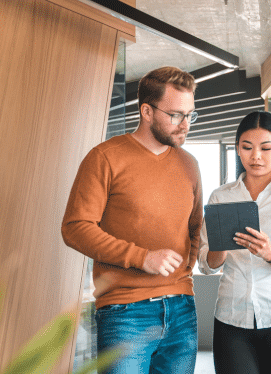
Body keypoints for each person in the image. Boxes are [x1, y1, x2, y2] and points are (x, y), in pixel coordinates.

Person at [61, 66, 202, 374]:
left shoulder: (190, 164)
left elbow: (195, 229)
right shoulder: (105, 157)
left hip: (182, 309)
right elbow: (75, 228)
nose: (185, 125)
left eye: (190, 115)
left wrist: (184, 274)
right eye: (176, 115)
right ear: (147, 111)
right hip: (125, 312)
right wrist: (142, 258)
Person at [199, 111, 271, 374]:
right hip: (231, 319)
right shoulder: (221, 197)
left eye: (266, 148)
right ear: (238, 150)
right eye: (247, 147)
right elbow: (206, 265)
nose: (256, 156)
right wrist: (221, 244)